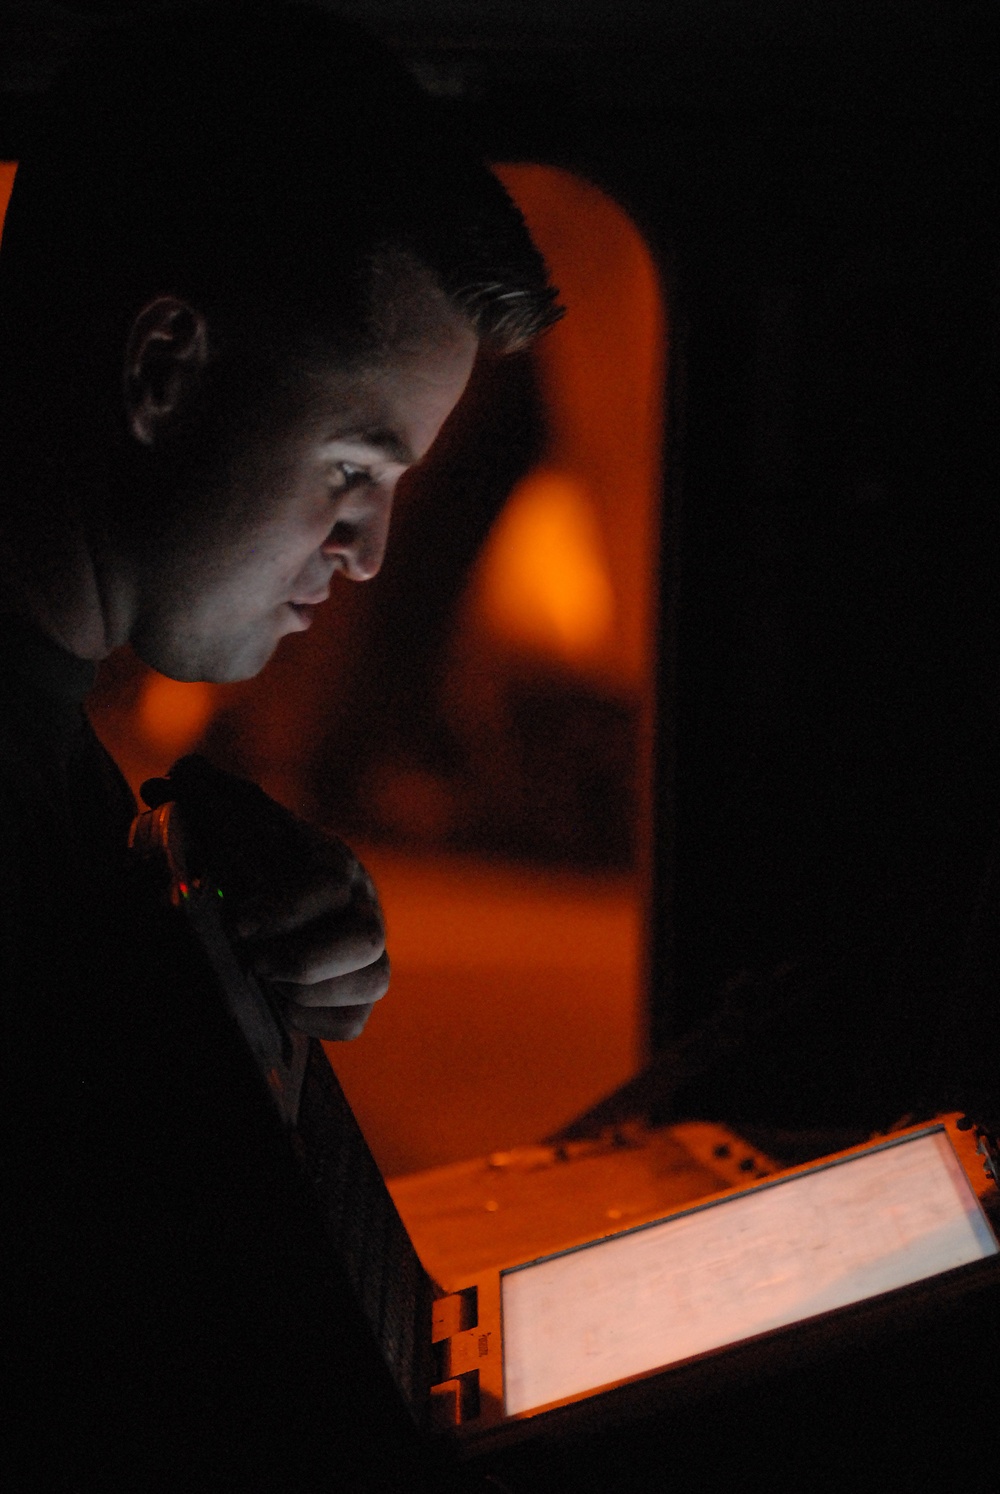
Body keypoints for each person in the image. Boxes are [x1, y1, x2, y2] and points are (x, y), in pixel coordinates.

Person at [0, 5, 559, 1488]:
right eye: (354, 467)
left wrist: (198, 927)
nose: (369, 550)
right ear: (165, 368)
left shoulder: (63, 757)